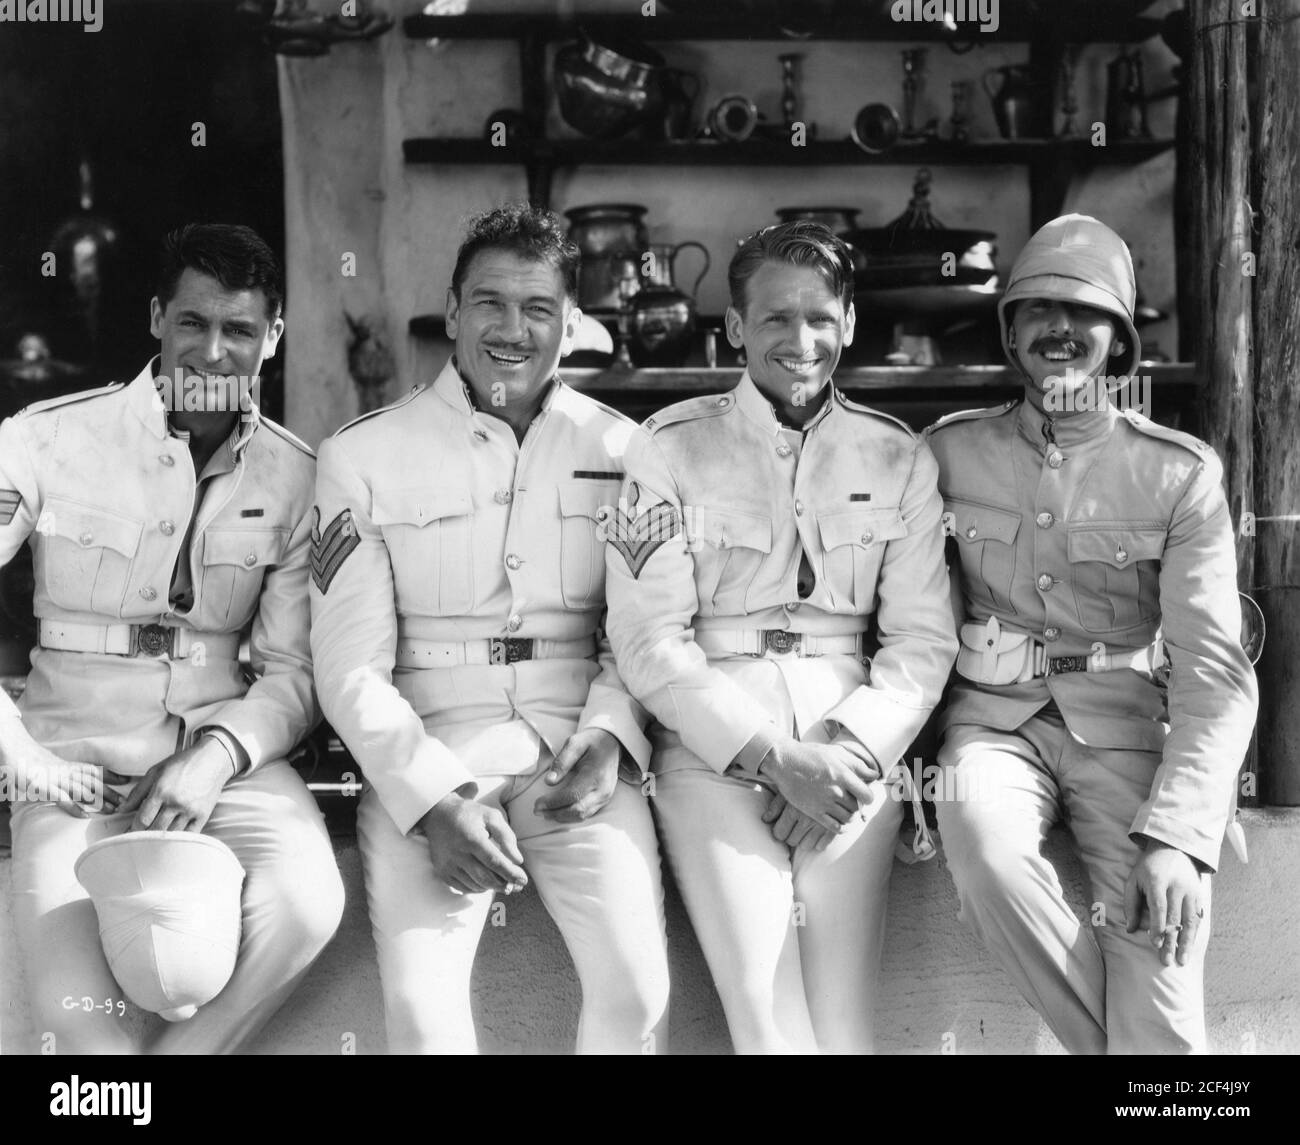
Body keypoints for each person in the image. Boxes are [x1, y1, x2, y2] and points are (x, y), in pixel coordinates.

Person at [310, 204, 669, 1054]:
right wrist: (433, 800)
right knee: (426, 1021)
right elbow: (349, 666)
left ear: (571, 323)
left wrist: (614, 733)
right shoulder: (364, 454)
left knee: (637, 990)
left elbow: (645, 630)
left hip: (574, 752)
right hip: (432, 753)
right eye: (490, 304)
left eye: (538, 308)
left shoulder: (626, 451)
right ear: (452, 308)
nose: (513, 329)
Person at [603, 221, 958, 1053]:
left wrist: (845, 751)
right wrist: (775, 758)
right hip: (714, 748)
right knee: (765, 1016)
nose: (801, 341)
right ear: (734, 326)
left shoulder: (897, 456)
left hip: (852, 750)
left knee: (843, 1022)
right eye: (775, 319)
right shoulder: (666, 447)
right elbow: (650, 638)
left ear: (850, 323)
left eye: (820, 318)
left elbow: (922, 642)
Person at [0, 223, 344, 1054]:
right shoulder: (46, 439)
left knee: (309, 904)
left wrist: (215, 757)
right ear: (157, 317)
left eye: (239, 330)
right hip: (69, 754)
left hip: (218, 759)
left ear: (274, 337)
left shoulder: (299, 477)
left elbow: (294, 672)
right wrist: (22, 757)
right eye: (193, 323)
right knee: (75, 1014)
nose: (213, 353)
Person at [925, 214, 1258, 1054]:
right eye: (1036, 308)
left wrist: (1182, 834)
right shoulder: (947, 454)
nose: (1060, 327)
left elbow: (1214, 674)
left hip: (1126, 739)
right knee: (987, 852)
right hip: (993, 727)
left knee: (1160, 967)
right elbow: (905, 626)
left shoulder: (1176, 473)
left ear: (1118, 339)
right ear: (1011, 332)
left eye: (1085, 310)